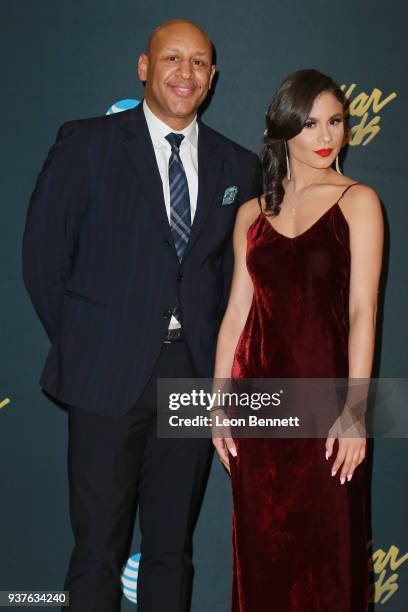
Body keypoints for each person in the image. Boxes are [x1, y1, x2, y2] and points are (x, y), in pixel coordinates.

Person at [22, 19, 262, 612]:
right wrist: (91, 340)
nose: (186, 73)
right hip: (104, 375)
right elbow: (43, 259)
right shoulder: (87, 143)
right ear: (143, 67)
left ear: (212, 77)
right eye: (172, 59)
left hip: (191, 378)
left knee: (170, 551)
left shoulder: (239, 166)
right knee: (97, 552)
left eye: (200, 62)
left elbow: (236, 283)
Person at [213, 69, 383, 611]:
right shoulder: (250, 215)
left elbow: (363, 311)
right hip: (259, 414)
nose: (326, 135)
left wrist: (356, 411)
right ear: (284, 129)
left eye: (335, 121)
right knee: (262, 560)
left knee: (331, 563)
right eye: (309, 123)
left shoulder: (359, 202)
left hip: (329, 414)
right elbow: (238, 309)